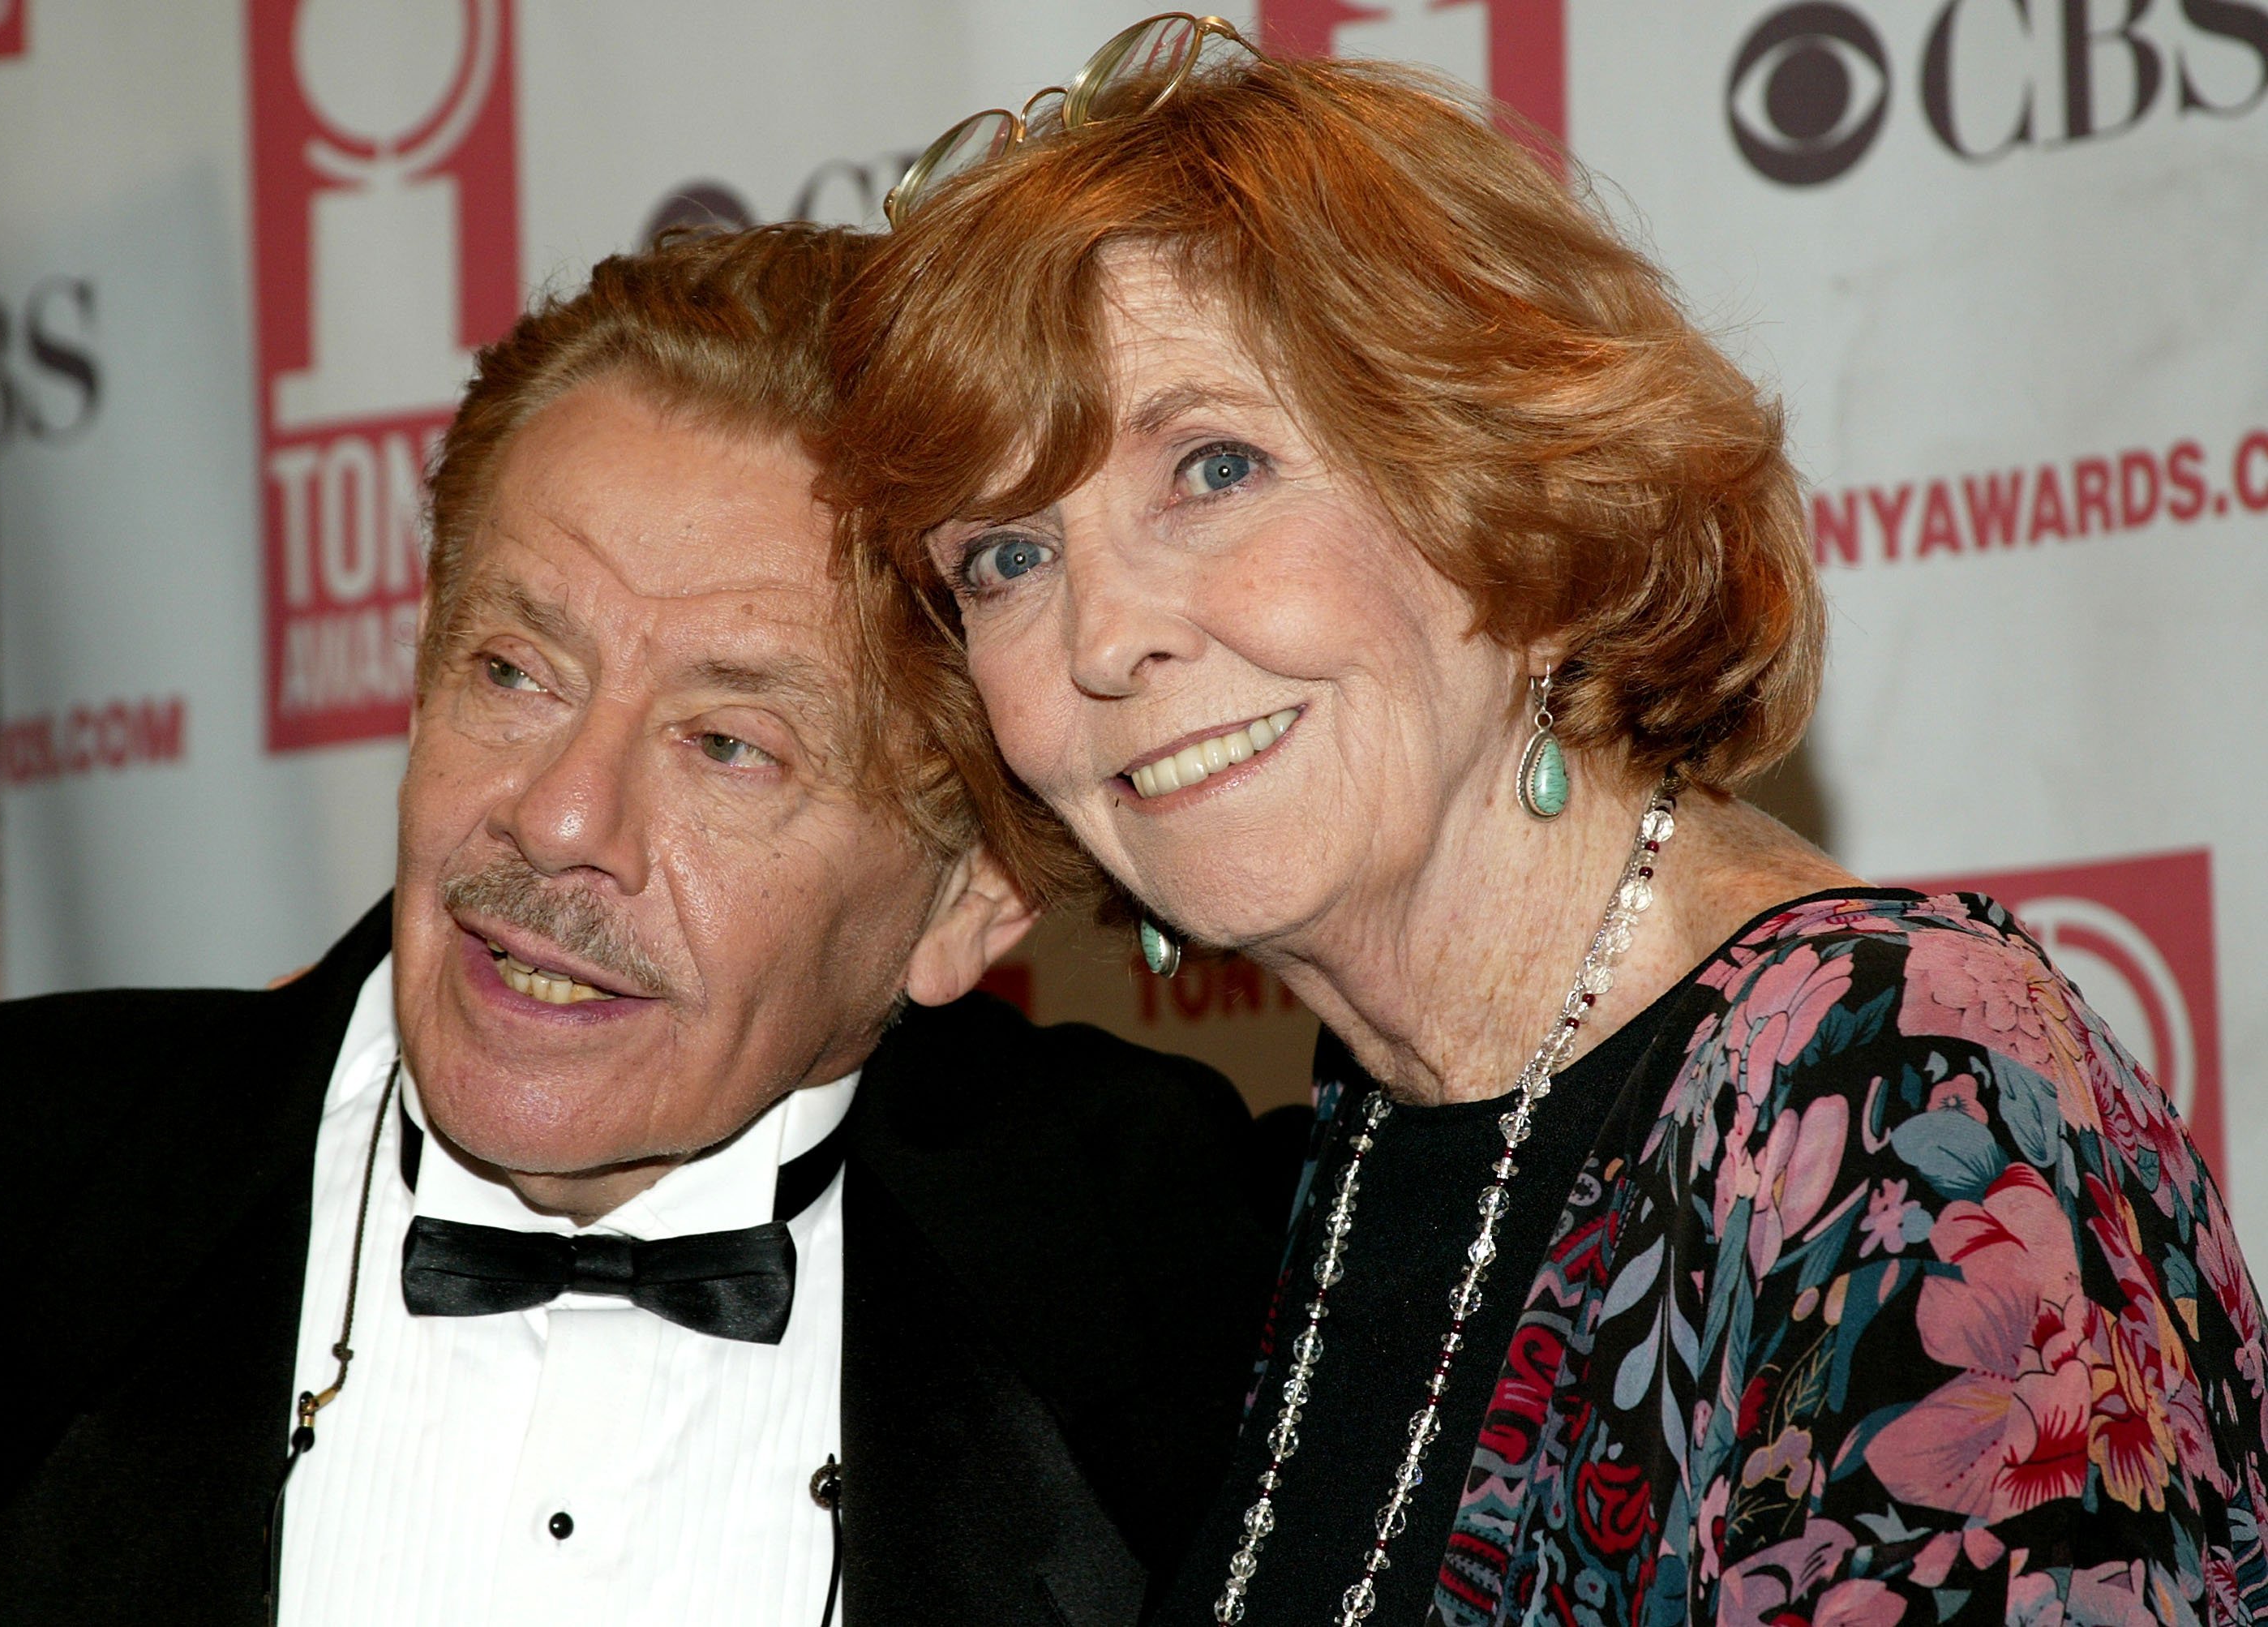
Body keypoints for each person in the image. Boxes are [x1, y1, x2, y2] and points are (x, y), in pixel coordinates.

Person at [827, 19, 2268, 1627]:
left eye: (1213, 466)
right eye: (1006, 560)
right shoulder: (1380, 1137)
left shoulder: (1897, 1090)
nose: (1104, 639)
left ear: (1506, 490)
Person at [0, 224, 1281, 1627]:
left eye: (728, 744)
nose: (561, 818)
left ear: (969, 896)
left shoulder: (1214, 1300)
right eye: (517, 671)